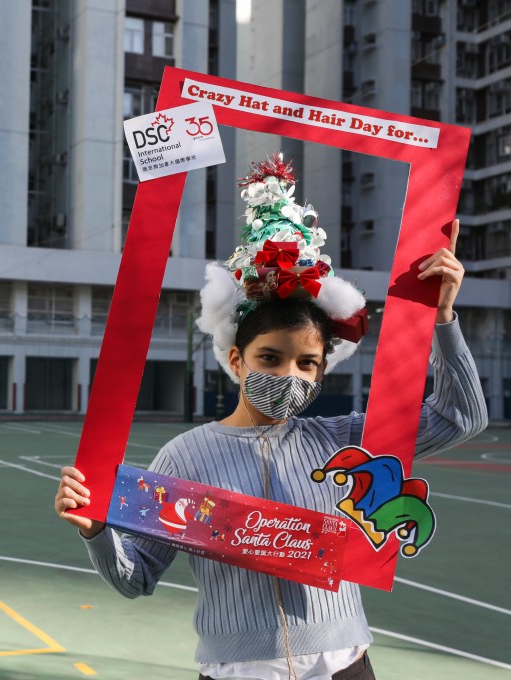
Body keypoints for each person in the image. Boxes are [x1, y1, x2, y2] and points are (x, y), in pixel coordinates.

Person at [54, 157, 488, 680]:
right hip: (236, 671)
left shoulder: (350, 440)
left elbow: (460, 415)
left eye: (307, 363)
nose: (288, 374)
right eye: (269, 358)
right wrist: (96, 531)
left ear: (323, 370)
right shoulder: (184, 457)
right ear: (236, 359)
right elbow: (136, 577)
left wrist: (442, 319)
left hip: (345, 665)